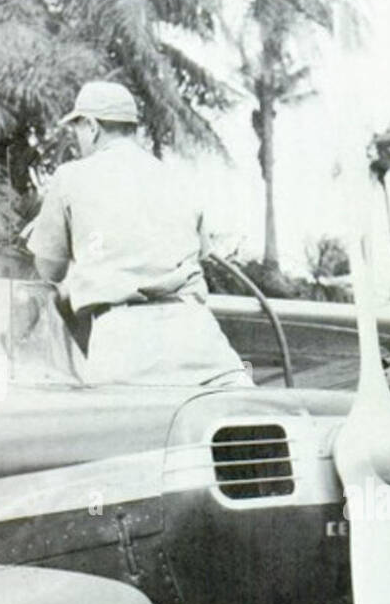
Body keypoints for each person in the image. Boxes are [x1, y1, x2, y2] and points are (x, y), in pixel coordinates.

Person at [26, 80, 251, 387]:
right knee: (248, 424)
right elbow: (197, 253)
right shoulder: (174, 176)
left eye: (77, 129)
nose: (77, 140)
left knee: (128, 432)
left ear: (91, 126)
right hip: (198, 337)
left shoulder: (71, 177)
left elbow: (49, 269)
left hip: (125, 343)